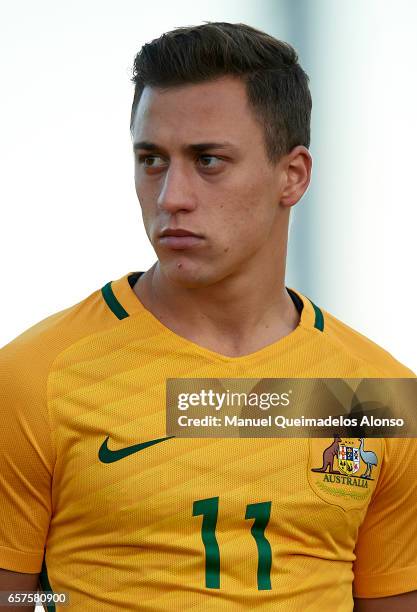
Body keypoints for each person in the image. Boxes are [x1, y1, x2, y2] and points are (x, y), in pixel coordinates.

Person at [0, 21, 416, 612]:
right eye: (152, 160)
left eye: (209, 160)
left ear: (292, 175)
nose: (171, 195)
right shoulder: (31, 379)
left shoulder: (374, 395)